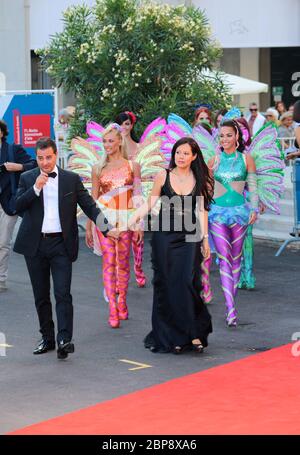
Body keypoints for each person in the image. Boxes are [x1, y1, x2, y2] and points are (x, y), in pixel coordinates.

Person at [13, 137, 113, 359]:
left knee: (63, 293)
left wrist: (107, 228)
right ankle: (47, 338)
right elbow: (16, 206)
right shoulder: (27, 178)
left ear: (56, 155)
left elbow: (89, 205)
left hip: (61, 244)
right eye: (40, 158)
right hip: (35, 245)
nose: (45, 162)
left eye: (48, 157)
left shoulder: (70, 179)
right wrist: (35, 189)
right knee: (41, 295)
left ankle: (64, 339)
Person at [129, 137, 213, 354]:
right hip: (164, 236)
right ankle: (173, 335)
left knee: (187, 282)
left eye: (186, 153)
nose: (181, 157)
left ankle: (193, 332)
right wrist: (134, 219)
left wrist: (205, 239)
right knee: (168, 284)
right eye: (178, 153)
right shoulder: (163, 175)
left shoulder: (200, 177)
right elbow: (150, 202)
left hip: (190, 237)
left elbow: (202, 210)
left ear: (194, 156)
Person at [85, 123, 143, 329]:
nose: (107, 145)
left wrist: (138, 223)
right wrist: (90, 225)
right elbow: (92, 199)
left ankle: (122, 300)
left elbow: (137, 195)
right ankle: (112, 309)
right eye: (104, 141)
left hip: (126, 218)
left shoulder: (132, 166)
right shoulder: (97, 168)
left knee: (123, 262)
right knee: (109, 261)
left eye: (110, 141)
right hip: (103, 217)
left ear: (119, 141)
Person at [208, 120, 258, 326]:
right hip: (217, 214)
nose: (225, 139)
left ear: (237, 136)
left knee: (236, 259)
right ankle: (230, 309)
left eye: (229, 135)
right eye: (221, 136)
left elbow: (253, 186)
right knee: (224, 258)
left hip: (240, 214)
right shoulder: (214, 160)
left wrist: (254, 208)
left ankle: (231, 302)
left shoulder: (246, 159)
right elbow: (209, 189)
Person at [0, 119, 37, 292]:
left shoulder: (13, 150)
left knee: (3, 242)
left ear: (1, 133)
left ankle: (0, 279)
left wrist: (18, 166)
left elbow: (34, 165)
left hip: (9, 202)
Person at [115, 111, 146, 287]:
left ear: (131, 125)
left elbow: (138, 183)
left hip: (136, 194)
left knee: (137, 237)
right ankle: (121, 276)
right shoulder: (114, 149)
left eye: (126, 124)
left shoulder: (139, 148)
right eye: (121, 124)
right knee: (121, 239)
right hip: (118, 199)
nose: (124, 128)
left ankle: (138, 268)